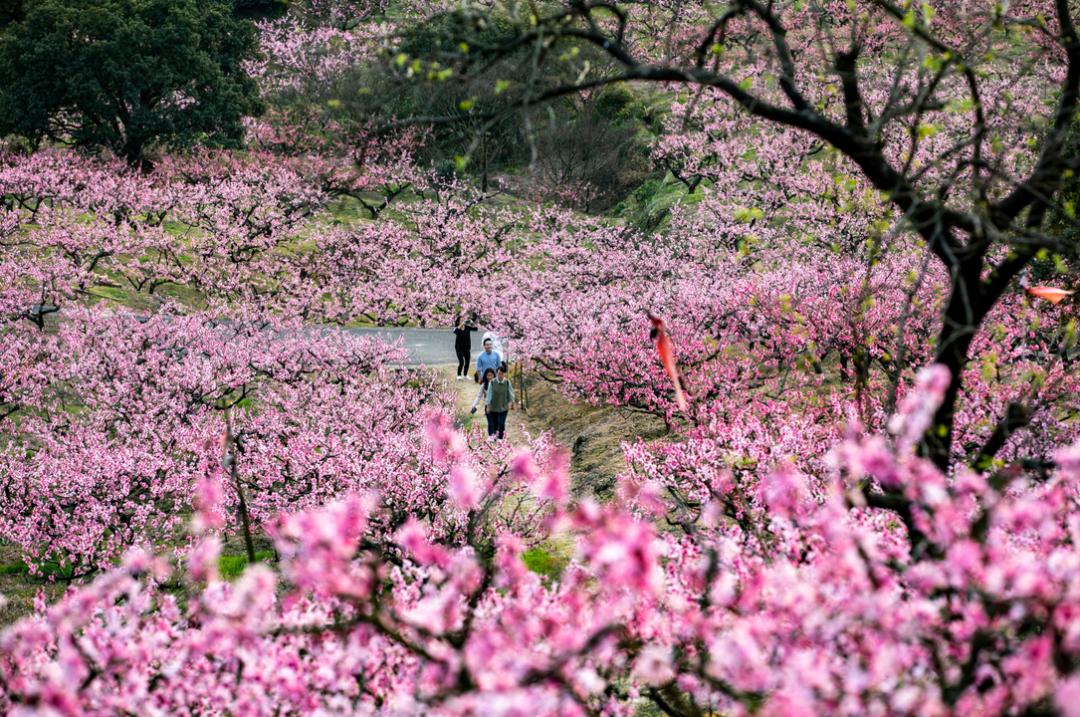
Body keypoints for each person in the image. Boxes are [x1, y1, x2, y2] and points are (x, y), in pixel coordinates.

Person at [485, 363, 515, 440]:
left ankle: (500, 438)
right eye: (498, 373)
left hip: (503, 407)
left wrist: (512, 403)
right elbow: (489, 395)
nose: (500, 375)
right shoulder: (492, 382)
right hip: (494, 407)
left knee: (501, 423)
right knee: (495, 423)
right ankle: (494, 436)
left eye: (501, 374)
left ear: (504, 374)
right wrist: (488, 406)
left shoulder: (507, 382)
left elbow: (511, 393)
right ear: (497, 373)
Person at [452, 315, 477, 380]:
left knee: (467, 362)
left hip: (467, 347)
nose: (463, 321)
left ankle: (465, 375)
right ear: (458, 322)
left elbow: (476, 329)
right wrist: (461, 325)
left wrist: (472, 323)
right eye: (461, 320)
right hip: (459, 348)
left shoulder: (467, 327)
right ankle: (459, 375)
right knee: (461, 362)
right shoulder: (457, 328)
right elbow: (454, 331)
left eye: (463, 319)